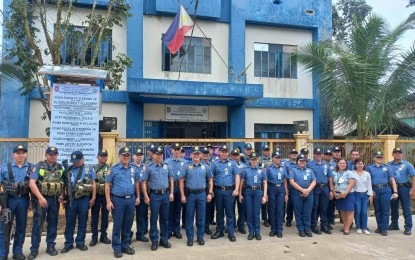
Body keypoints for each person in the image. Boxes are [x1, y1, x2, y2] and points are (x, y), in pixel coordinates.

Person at [28, 146, 63, 260]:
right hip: (41, 200)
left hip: (54, 199)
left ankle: (50, 246)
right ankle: (34, 249)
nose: (52, 156)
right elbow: (32, 183)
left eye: (54, 154)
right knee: (38, 224)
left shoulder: (60, 167)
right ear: (46, 155)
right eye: (50, 154)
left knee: (53, 223)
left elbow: (64, 182)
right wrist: (40, 197)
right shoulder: (38, 166)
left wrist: (62, 194)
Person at [105, 147, 140, 258]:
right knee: (118, 223)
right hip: (118, 200)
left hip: (131, 199)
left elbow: (137, 184)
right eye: (124, 155)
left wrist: (138, 196)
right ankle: (116, 247)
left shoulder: (133, 169)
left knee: (128, 223)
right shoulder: (113, 169)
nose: (126, 157)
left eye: (128, 156)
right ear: (119, 156)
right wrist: (108, 201)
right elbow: (107, 185)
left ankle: (125, 244)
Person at [60, 151, 96, 254]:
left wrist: (93, 197)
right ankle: (68, 243)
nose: (75, 163)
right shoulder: (68, 169)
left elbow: (93, 183)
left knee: (82, 221)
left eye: (77, 161)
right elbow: (64, 184)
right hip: (72, 199)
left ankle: (80, 242)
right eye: (73, 161)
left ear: (82, 159)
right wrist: (63, 195)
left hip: (84, 199)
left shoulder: (89, 168)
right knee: (70, 221)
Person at [0, 145, 31, 260]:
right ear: (13, 155)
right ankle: (3, 253)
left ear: (26, 155)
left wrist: (32, 202)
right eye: (18, 153)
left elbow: (33, 186)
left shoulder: (30, 168)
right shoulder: (4, 168)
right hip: (8, 200)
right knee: (4, 226)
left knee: (21, 227)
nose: (21, 155)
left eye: (23, 153)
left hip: (23, 200)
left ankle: (18, 252)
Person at [141, 145, 174, 251]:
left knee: (165, 218)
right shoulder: (149, 167)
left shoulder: (167, 166)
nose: (159, 156)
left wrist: (171, 192)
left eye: (161, 154)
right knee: (154, 219)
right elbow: (144, 182)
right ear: (153, 155)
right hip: (154, 196)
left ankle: (164, 239)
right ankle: (154, 240)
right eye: (157, 154)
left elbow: (171, 179)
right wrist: (146, 196)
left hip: (165, 195)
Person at [180, 146, 213, 246]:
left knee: (201, 217)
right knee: (189, 216)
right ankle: (190, 238)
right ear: (191, 155)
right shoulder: (186, 166)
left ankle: (200, 237)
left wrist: (210, 193)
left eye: (198, 154)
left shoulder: (205, 167)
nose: (196, 156)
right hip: (190, 195)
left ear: (201, 155)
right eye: (194, 154)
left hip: (202, 194)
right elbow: (181, 180)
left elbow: (210, 179)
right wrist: (182, 195)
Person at [211, 145, 241, 242]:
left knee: (230, 212)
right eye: (222, 151)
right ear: (219, 153)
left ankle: (231, 232)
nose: (224, 153)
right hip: (218, 191)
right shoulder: (215, 164)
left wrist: (236, 189)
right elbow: (211, 177)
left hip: (229, 191)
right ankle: (219, 231)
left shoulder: (232, 163)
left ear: (228, 153)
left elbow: (237, 176)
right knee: (219, 212)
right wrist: (211, 190)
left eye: (225, 152)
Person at [367, 151, 398, 236]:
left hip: (385, 190)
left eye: (381, 157)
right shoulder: (370, 168)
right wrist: (370, 191)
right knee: (377, 209)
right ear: (374, 158)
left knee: (385, 209)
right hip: (375, 191)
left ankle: (384, 228)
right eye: (377, 157)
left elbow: (392, 180)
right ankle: (379, 226)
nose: (379, 159)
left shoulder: (387, 167)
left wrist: (395, 192)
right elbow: (367, 181)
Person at [239, 152, 268, 240]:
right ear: (250, 160)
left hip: (258, 192)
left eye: (255, 159)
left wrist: (265, 195)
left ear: (258, 160)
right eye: (252, 159)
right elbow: (242, 182)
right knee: (250, 213)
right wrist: (240, 194)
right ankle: (251, 232)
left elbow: (265, 183)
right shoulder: (246, 169)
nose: (254, 161)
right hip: (248, 191)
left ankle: (257, 232)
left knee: (256, 213)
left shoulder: (261, 170)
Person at [387, 147, 415, 235]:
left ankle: (408, 227)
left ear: (402, 154)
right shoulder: (388, 164)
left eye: (399, 153)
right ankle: (394, 224)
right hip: (393, 189)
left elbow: (414, 177)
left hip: (404, 188)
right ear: (392, 154)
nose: (397, 154)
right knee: (394, 207)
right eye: (395, 152)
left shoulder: (407, 164)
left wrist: (413, 190)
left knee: (406, 208)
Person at [288, 154, 316, 237]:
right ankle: (301, 229)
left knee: (307, 212)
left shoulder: (310, 171)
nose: (302, 162)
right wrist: (302, 190)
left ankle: (307, 229)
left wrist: (308, 190)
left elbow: (314, 181)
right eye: (300, 161)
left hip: (309, 193)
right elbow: (291, 181)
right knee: (298, 212)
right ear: (297, 162)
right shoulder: (293, 170)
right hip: (297, 194)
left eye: (304, 161)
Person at [307, 147, 333, 235]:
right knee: (315, 207)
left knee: (324, 207)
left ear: (322, 155)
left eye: (320, 154)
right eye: (317, 154)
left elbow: (330, 178)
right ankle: (313, 225)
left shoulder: (326, 165)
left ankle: (324, 225)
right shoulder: (309, 164)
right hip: (315, 188)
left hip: (325, 188)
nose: (318, 156)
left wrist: (331, 190)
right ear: (314, 154)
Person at [89, 149, 111, 246]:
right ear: (97, 157)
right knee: (95, 216)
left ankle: (104, 236)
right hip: (96, 195)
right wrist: (93, 197)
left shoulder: (110, 168)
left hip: (106, 196)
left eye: (105, 156)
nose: (103, 157)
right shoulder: (93, 168)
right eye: (101, 156)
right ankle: (94, 237)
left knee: (105, 216)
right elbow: (93, 182)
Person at [165, 143, 187, 239]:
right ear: (172, 150)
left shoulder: (185, 162)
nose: (177, 151)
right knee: (170, 210)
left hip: (180, 187)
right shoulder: (167, 162)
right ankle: (169, 230)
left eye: (178, 149)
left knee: (178, 210)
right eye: (175, 149)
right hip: (170, 188)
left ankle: (177, 230)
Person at [331, 158, 356, 235]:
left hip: (348, 195)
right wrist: (333, 191)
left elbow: (352, 183)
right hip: (339, 195)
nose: (342, 165)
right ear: (337, 164)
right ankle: (345, 225)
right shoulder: (334, 173)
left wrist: (345, 192)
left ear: (346, 164)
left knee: (349, 211)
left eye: (344, 163)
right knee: (342, 211)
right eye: (340, 163)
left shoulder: (349, 173)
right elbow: (332, 183)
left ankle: (347, 228)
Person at [266, 151, 288, 238]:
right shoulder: (269, 168)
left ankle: (279, 230)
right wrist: (266, 194)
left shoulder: (283, 167)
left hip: (281, 189)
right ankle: (273, 229)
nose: (277, 159)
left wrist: (286, 193)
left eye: (279, 157)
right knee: (272, 209)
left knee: (280, 209)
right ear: (272, 158)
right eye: (276, 157)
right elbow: (266, 181)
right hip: (272, 189)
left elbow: (285, 180)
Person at [132, 147, 149, 242]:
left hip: (142, 194)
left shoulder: (145, 167)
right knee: (129, 216)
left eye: (140, 155)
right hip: (132, 194)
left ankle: (140, 233)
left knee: (141, 215)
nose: (138, 157)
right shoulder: (130, 166)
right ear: (133, 156)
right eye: (137, 155)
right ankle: (128, 233)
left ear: (142, 157)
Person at [353, 158, 373, 235]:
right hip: (356, 194)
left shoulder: (367, 174)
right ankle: (358, 227)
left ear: (363, 164)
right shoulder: (352, 173)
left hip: (365, 195)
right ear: (355, 165)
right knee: (358, 211)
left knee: (364, 211)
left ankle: (364, 227)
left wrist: (370, 195)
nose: (359, 165)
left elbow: (369, 185)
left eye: (361, 163)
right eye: (358, 164)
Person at [230, 149, 247, 234]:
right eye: (234, 155)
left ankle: (241, 226)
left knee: (242, 209)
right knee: (230, 209)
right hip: (231, 189)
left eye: (237, 155)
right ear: (231, 156)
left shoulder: (244, 166)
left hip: (242, 190)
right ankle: (232, 225)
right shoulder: (228, 165)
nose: (235, 157)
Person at [201, 147, 215, 234]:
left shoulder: (212, 164)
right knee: (203, 210)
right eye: (204, 153)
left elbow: (213, 177)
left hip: (211, 189)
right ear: (201, 155)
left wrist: (212, 190)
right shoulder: (199, 164)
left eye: (207, 154)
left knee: (209, 209)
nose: (206, 155)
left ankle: (206, 226)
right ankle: (202, 227)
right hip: (203, 189)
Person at [327, 146, 342, 227]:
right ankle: (330, 219)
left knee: (342, 203)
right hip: (332, 186)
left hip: (342, 187)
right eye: (335, 152)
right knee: (331, 204)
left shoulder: (344, 162)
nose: (337, 153)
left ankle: (343, 219)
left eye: (338, 152)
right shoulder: (330, 164)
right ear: (332, 153)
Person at [284, 148, 298, 227]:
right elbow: (285, 177)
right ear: (289, 155)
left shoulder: (300, 162)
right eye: (292, 153)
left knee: (297, 203)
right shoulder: (286, 164)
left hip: (298, 185)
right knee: (289, 203)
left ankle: (298, 220)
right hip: (289, 185)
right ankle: (289, 219)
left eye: (295, 153)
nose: (294, 154)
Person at [260, 145, 272, 227]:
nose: (267, 152)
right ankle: (264, 219)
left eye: (268, 150)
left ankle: (270, 218)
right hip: (262, 184)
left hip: (271, 183)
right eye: (265, 150)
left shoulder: (272, 160)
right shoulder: (259, 160)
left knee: (271, 203)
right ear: (262, 151)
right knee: (264, 202)